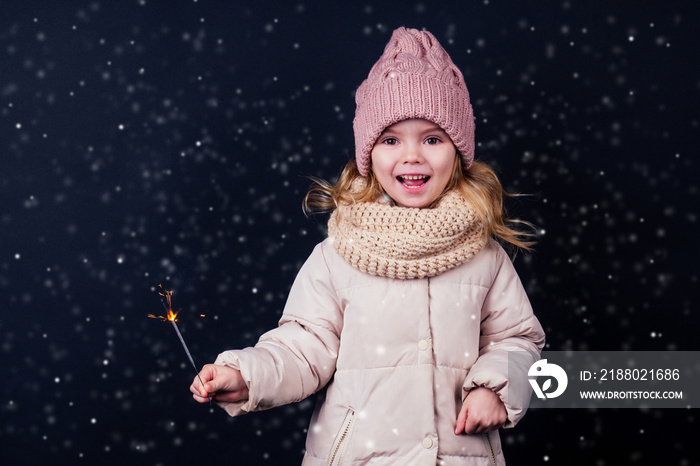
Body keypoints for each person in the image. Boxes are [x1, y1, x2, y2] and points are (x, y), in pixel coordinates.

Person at [191, 27, 545, 465]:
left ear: (458, 152)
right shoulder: (338, 254)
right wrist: (247, 377)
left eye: (432, 139)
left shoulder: (484, 255)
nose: (412, 156)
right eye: (391, 139)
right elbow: (304, 346)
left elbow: (518, 339)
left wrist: (496, 387)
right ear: (368, 154)